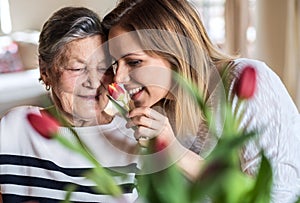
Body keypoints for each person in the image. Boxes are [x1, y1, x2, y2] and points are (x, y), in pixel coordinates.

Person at [102, 0, 300, 202]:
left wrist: (173, 150)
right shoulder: (158, 108)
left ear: (175, 52)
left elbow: (273, 195)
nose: (119, 78)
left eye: (134, 62)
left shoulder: (242, 83)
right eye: (115, 64)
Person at [0, 7, 139, 203]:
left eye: (103, 68)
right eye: (77, 68)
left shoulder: (133, 137)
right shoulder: (15, 128)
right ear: (45, 71)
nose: (93, 82)